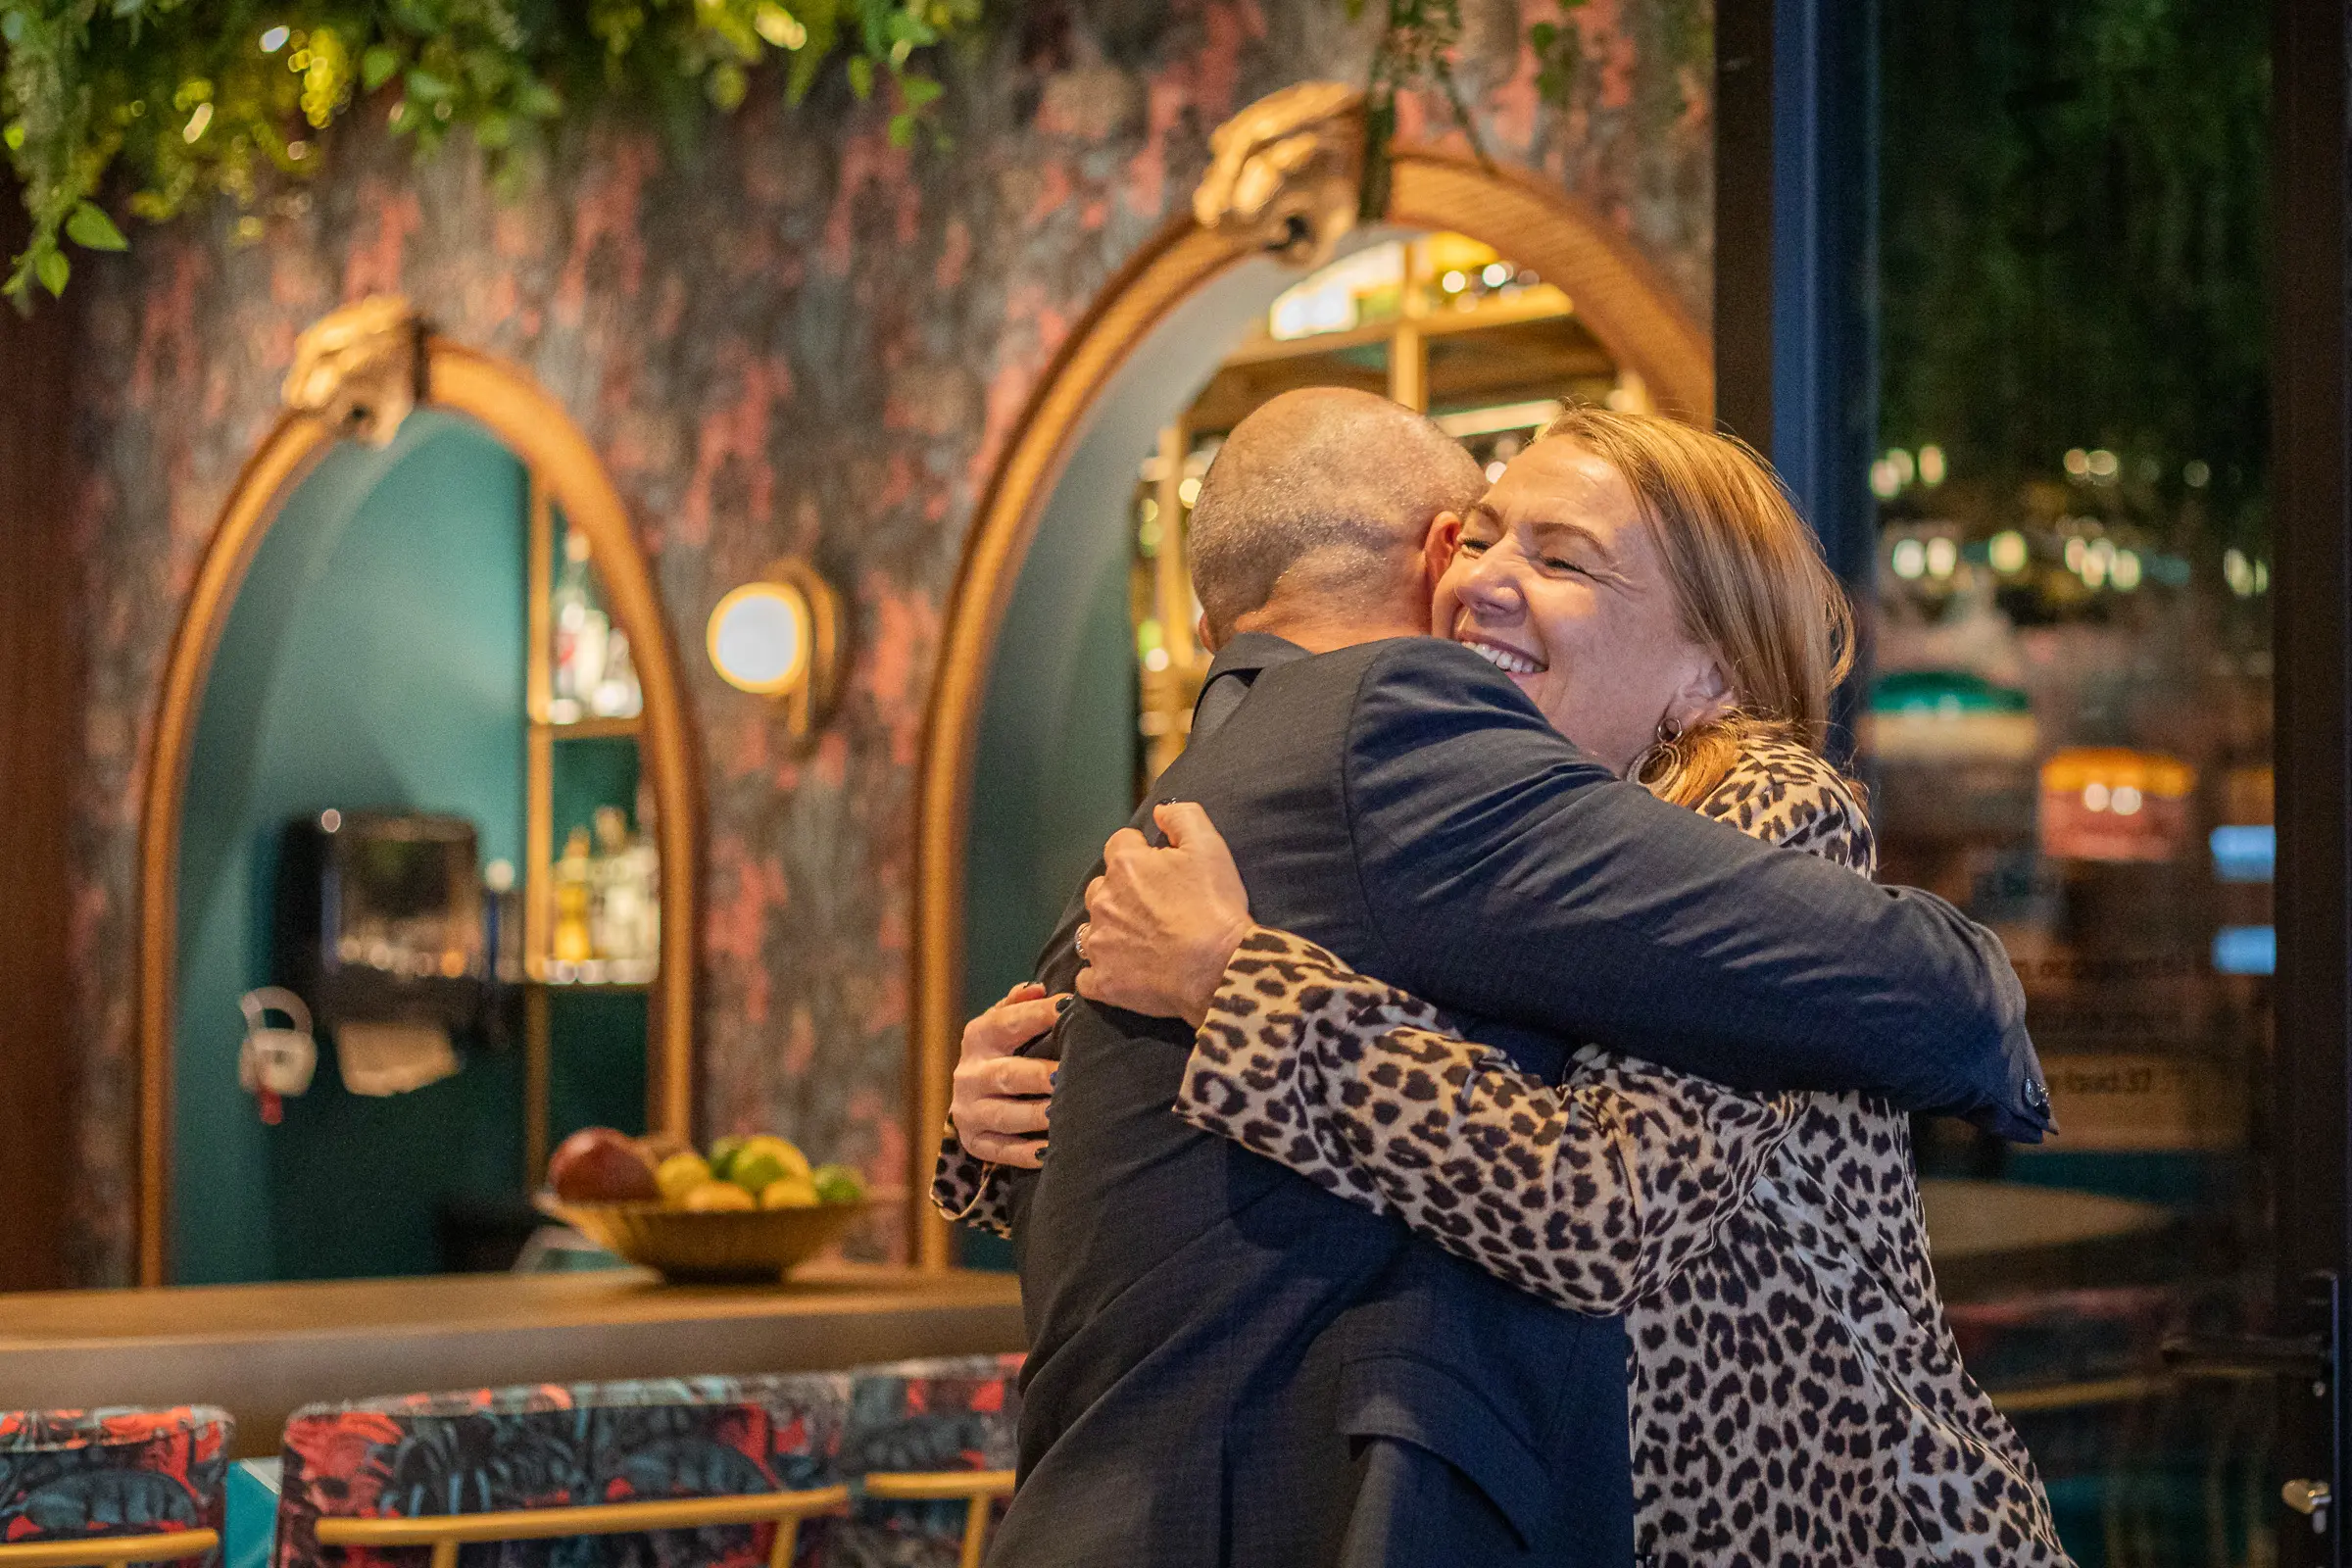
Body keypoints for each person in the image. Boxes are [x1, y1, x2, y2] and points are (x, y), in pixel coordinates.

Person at [939, 389, 2050, 1567]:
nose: (1480, 579)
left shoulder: (1757, 808)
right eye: (1481, 537)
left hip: (1824, 1525)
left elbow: (1599, 1213)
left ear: (1708, 675)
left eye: (1562, 559)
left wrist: (1234, 988)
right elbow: (1353, 1161)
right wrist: (1009, 1112)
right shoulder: (1474, 831)